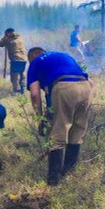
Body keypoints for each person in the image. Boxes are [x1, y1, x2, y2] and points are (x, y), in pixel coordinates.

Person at [26, 47, 93, 185]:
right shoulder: (63, 55)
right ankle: (69, 174)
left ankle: (53, 180)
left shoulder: (35, 62)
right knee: (77, 132)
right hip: (86, 88)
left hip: (64, 87)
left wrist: (41, 118)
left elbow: (34, 94)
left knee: (58, 133)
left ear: (32, 57)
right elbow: (91, 82)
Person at [0, 27, 28, 94]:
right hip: (24, 59)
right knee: (22, 73)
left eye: (6, 33)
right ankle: (23, 88)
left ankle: (16, 90)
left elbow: (0, 44)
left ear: (9, 33)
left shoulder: (9, 40)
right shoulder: (20, 37)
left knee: (14, 75)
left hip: (15, 59)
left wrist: (4, 38)